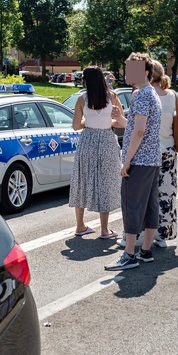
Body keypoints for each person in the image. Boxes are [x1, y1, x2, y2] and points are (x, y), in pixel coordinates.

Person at [105, 53, 162, 271]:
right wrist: (122, 121)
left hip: (139, 160)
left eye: (132, 69)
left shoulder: (140, 95)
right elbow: (139, 126)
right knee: (150, 206)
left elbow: (139, 131)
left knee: (132, 206)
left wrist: (126, 161)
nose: (128, 73)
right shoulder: (152, 93)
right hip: (152, 159)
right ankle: (145, 250)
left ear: (145, 72)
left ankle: (129, 255)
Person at [68, 66, 126, 239]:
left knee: (82, 180)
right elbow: (120, 122)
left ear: (86, 80)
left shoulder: (81, 98)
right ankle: (104, 230)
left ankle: (80, 226)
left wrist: (88, 120)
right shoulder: (113, 97)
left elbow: (76, 126)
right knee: (106, 183)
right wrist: (105, 119)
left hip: (87, 142)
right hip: (107, 141)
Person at [150, 59, 178, 248]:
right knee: (166, 194)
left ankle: (139, 235)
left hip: (148, 151)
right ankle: (162, 235)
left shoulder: (142, 94)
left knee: (144, 195)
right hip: (168, 149)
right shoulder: (172, 95)